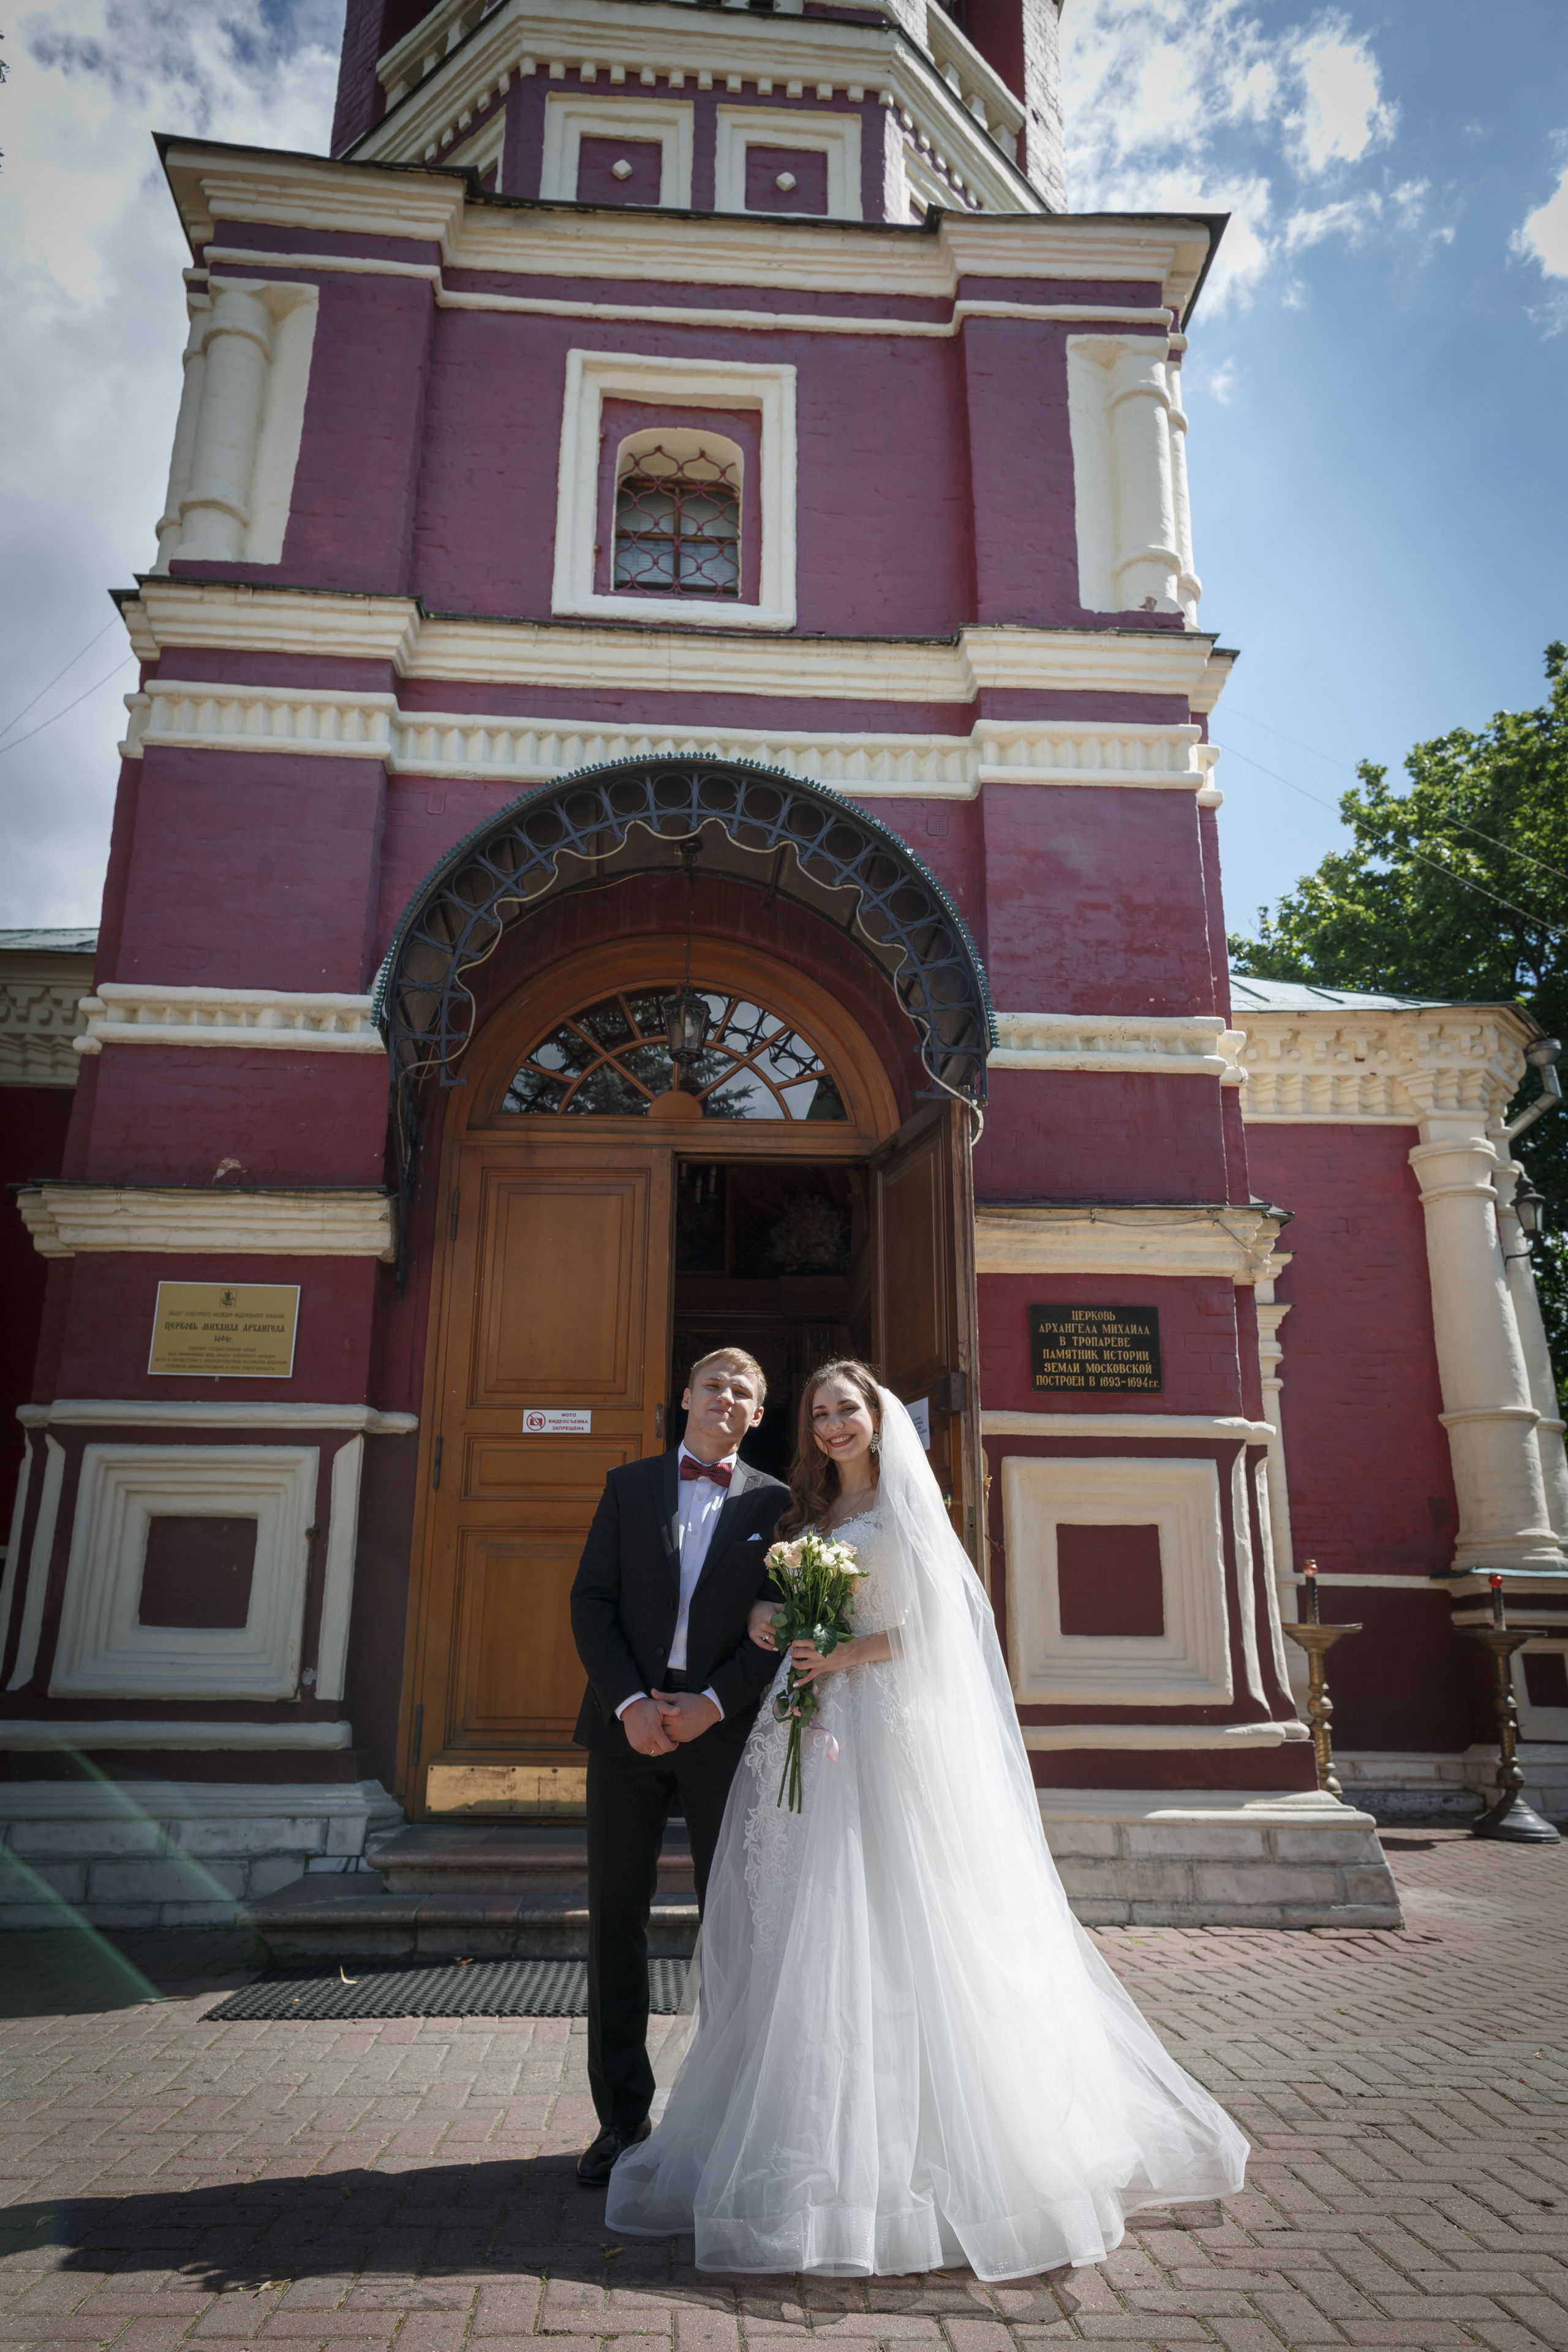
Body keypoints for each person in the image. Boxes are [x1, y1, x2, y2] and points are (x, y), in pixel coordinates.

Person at [605, 1358, 1249, 2278]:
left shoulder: (905, 1509)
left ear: (877, 1418)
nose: (832, 1426)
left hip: (880, 1732)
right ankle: (804, 2126)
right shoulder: (810, 1517)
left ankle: (924, 2148)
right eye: (820, 1412)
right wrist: (770, 1625)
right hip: (810, 1728)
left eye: (847, 1410)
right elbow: (789, 1614)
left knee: (894, 1918)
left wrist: (843, 1653)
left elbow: (946, 1625)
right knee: (802, 1924)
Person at [570, 1346, 789, 2188]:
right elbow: (590, 1599)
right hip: (625, 1729)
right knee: (613, 1919)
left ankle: (725, 2117)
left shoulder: (780, 1503)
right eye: (713, 1385)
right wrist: (631, 1706)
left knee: (728, 1922)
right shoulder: (629, 1487)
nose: (725, 1398)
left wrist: (712, 1705)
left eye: (743, 1391)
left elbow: (779, 1628)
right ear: (686, 1396)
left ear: (757, 1414)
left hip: (721, 1732)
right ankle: (620, 2121)